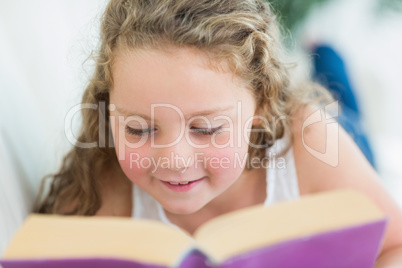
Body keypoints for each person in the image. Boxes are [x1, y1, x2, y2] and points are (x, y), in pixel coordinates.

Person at [35, 0, 402, 265]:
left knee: (342, 104)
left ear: (260, 105)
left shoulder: (310, 143)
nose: (174, 160)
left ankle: (325, 50)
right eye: (139, 128)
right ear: (108, 109)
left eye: (206, 128)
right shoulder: (104, 192)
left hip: (338, 142)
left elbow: (394, 246)